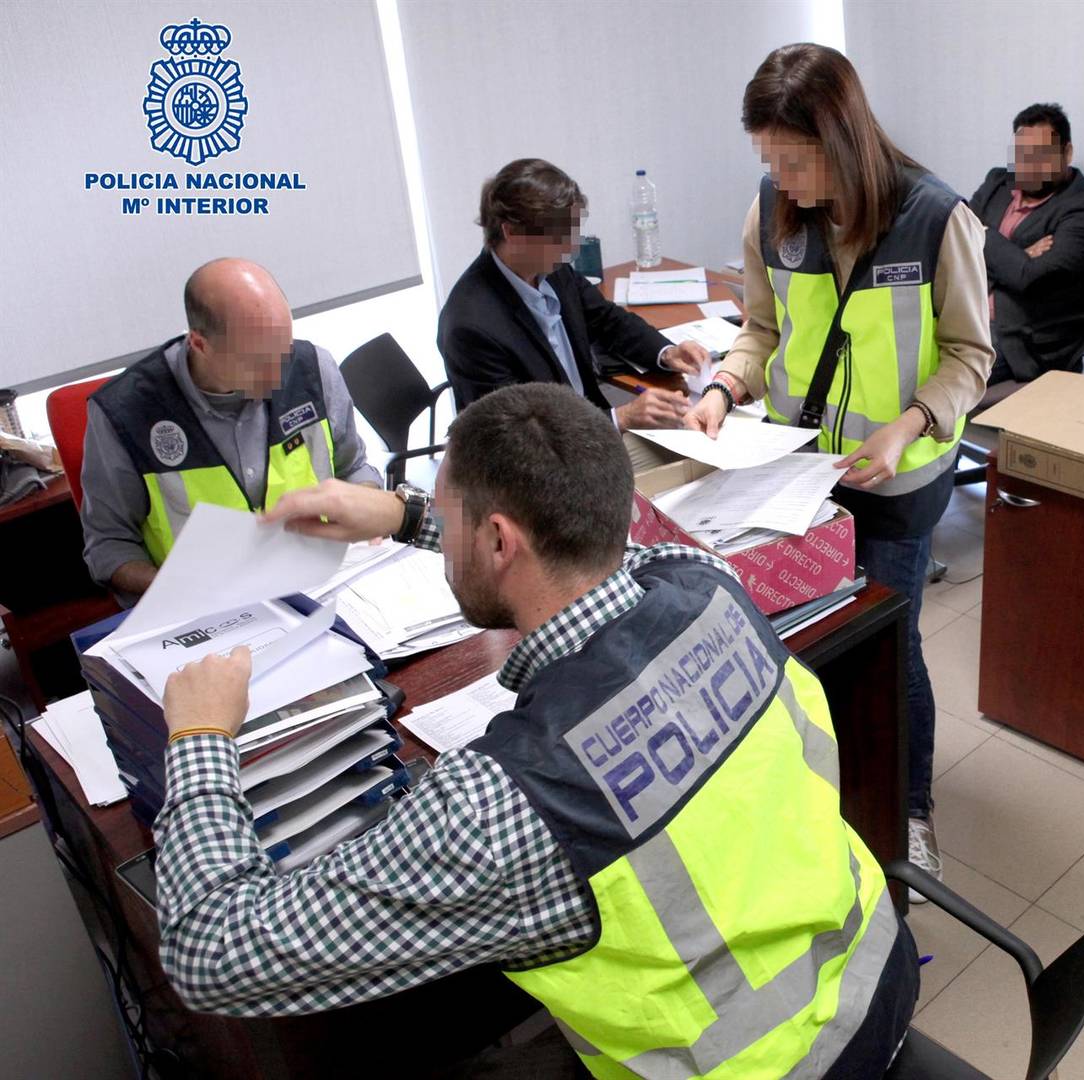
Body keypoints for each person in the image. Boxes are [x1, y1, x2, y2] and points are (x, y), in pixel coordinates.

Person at [155, 383, 919, 1078]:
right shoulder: (706, 583)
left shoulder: (505, 804)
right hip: (875, 969)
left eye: (452, 519)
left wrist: (199, 742)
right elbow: (592, 550)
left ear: (495, 542)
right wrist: (408, 515)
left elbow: (211, 952)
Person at [684, 43, 993, 896]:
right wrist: (723, 385)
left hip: (896, 482)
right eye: (768, 162)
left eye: (795, 160)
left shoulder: (936, 220)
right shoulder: (770, 215)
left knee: (890, 647)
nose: (782, 180)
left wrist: (909, 425)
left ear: (842, 139)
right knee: (798, 643)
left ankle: (910, 810)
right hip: (793, 481)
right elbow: (759, 328)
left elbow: (972, 354)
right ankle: (820, 800)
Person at [79, 258, 380, 600]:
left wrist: (368, 510)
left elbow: (354, 468)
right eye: (257, 362)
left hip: (323, 585)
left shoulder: (314, 369)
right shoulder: (126, 414)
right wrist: (176, 589)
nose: (279, 377)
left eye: (284, 350)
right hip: (208, 613)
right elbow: (109, 545)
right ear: (200, 345)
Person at [437, 158, 708, 438]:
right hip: (550, 466)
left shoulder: (551, 270)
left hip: (594, 435)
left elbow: (608, 320)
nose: (571, 245)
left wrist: (666, 352)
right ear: (512, 232)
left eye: (574, 230)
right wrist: (621, 417)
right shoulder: (471, 328)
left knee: (703, 438)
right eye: (559, 236)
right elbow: (516, 437)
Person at [967, 102, 1084, 381]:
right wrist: (1017, 255)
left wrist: (982, 235)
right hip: (967, 314)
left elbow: (1030, 279)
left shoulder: (1083, 214)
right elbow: (955, 244)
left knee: (932, 376)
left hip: (1021, 340)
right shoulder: (998, 182)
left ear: (1067, 153)